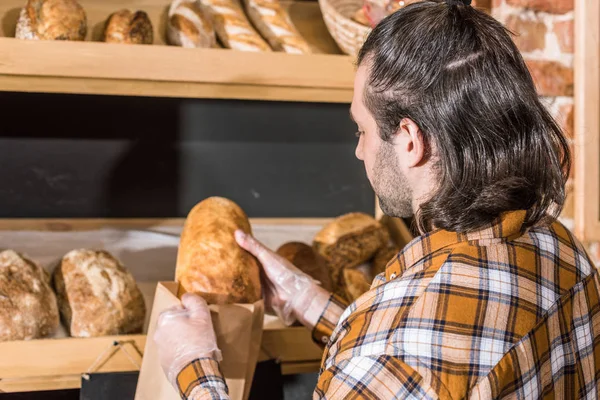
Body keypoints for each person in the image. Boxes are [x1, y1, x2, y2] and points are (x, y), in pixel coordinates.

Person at [154, 0, 600, 398]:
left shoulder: (391, 352)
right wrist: (310, 303)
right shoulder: (558, 249)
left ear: (409, 139)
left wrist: (194, 368)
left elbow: (399, 359)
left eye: (362, 129)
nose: (359, 149)